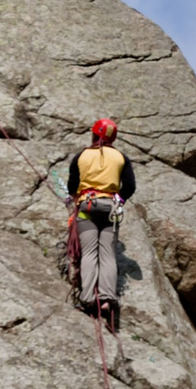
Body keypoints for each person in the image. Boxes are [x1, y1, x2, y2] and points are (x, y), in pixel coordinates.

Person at [64, 118, 135, 330]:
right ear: (113, 138)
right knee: (107, 254)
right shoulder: (121, 158)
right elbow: (129, 186)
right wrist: (118, 200)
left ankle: (87, 298)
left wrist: (78, 196)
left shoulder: (82, 156)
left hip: (87, 207)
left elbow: (72, 186)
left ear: (94, 134)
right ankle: (106, 299)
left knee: (89, 253)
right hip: (110, 209)